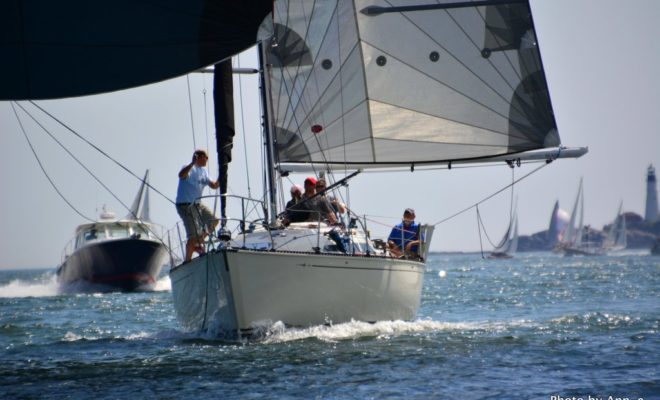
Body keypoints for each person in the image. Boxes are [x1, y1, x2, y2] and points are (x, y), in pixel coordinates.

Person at [175, 149, 220, 262]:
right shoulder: (189, 168)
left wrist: (222, 175)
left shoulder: (204, 171)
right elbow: (181, 175)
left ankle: (199, 240)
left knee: (214, 220)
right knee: (192, 235)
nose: (207, 160)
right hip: (185, 205)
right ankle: (187, 260)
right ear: (199, 157)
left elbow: (214, 185)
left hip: (197, 205)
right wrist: (192, 163)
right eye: (206, 157)